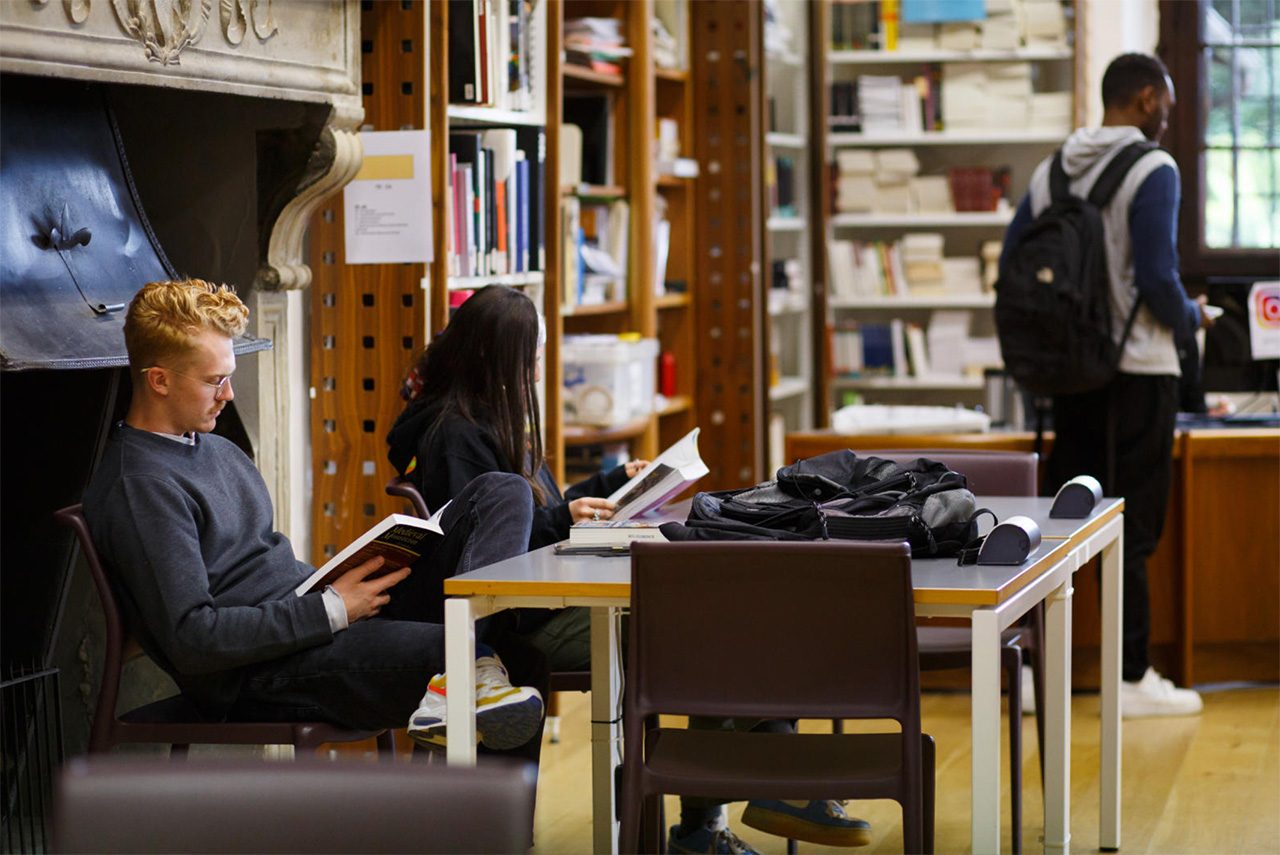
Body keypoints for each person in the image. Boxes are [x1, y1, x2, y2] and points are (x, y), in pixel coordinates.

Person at [387, 285, 873, 853]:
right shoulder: (456, 435)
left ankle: (751, 795)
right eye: (531, 359)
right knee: (696, 632)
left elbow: (535, 509)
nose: (536, 374)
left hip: (551, 593)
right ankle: (743, 800)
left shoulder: (488, 419)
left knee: (708, 621)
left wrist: (607, 488)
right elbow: (486, 550)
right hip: (528, 612)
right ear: (496, 360)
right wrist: (562, 518)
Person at [82, 278, 545, 753]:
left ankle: (468, 662)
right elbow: (193, 639)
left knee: (502, 492)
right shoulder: (139, 486)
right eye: (213, 380)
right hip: (262, 673)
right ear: (158, 380)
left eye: (229, 376)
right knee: (494, 656)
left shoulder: (218, 450)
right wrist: (332, 609)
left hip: (317, 618)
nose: (228, 395)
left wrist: (342, 591)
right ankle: (471, 669)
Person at [1002, 53, 1211, 718]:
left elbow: (1013, 262)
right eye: (1168, 105)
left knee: (1061, 525)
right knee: (1134, 528)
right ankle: (1129, 678)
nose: (1169, 118)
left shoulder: (1055, 167)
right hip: (1138, 372)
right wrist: (1191, 320)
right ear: (1147, 99)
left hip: (1072, 374)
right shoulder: (1155, 169)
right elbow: (1155, 276)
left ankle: (1033, 673)